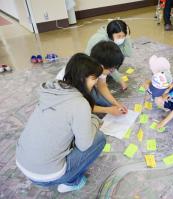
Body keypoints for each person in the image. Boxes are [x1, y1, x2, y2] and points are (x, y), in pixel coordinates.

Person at [16, 53, 106, 193]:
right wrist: (94, 120)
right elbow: (84, 145)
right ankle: (72, 182)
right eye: (94, 78)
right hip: (47, 175)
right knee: (99, 138)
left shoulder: (50, 88)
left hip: (22, 163)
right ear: (83, 78)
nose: (95, 82)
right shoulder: (80, 103)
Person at [56, 41, 128, 116]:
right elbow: (81, 106)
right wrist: (108, 110)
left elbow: (102, 85)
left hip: (79, 89)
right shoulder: (78, 80)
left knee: (104, 101)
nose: (112, 72)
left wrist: (115, 103)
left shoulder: (97, 66)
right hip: (66, 99)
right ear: (101, 66)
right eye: (111, 69)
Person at [85, 19, 132, 90]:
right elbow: (108, 63)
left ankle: (106, 75)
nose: (121, 39)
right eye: (119, 36)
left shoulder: (116, 39)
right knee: (98, 88)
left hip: (104, 65)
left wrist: (127, 37)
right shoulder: (100, 40)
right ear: (111, 34)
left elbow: (128, 53)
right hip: (91, 65)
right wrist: (120, 79)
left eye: (123, 36)